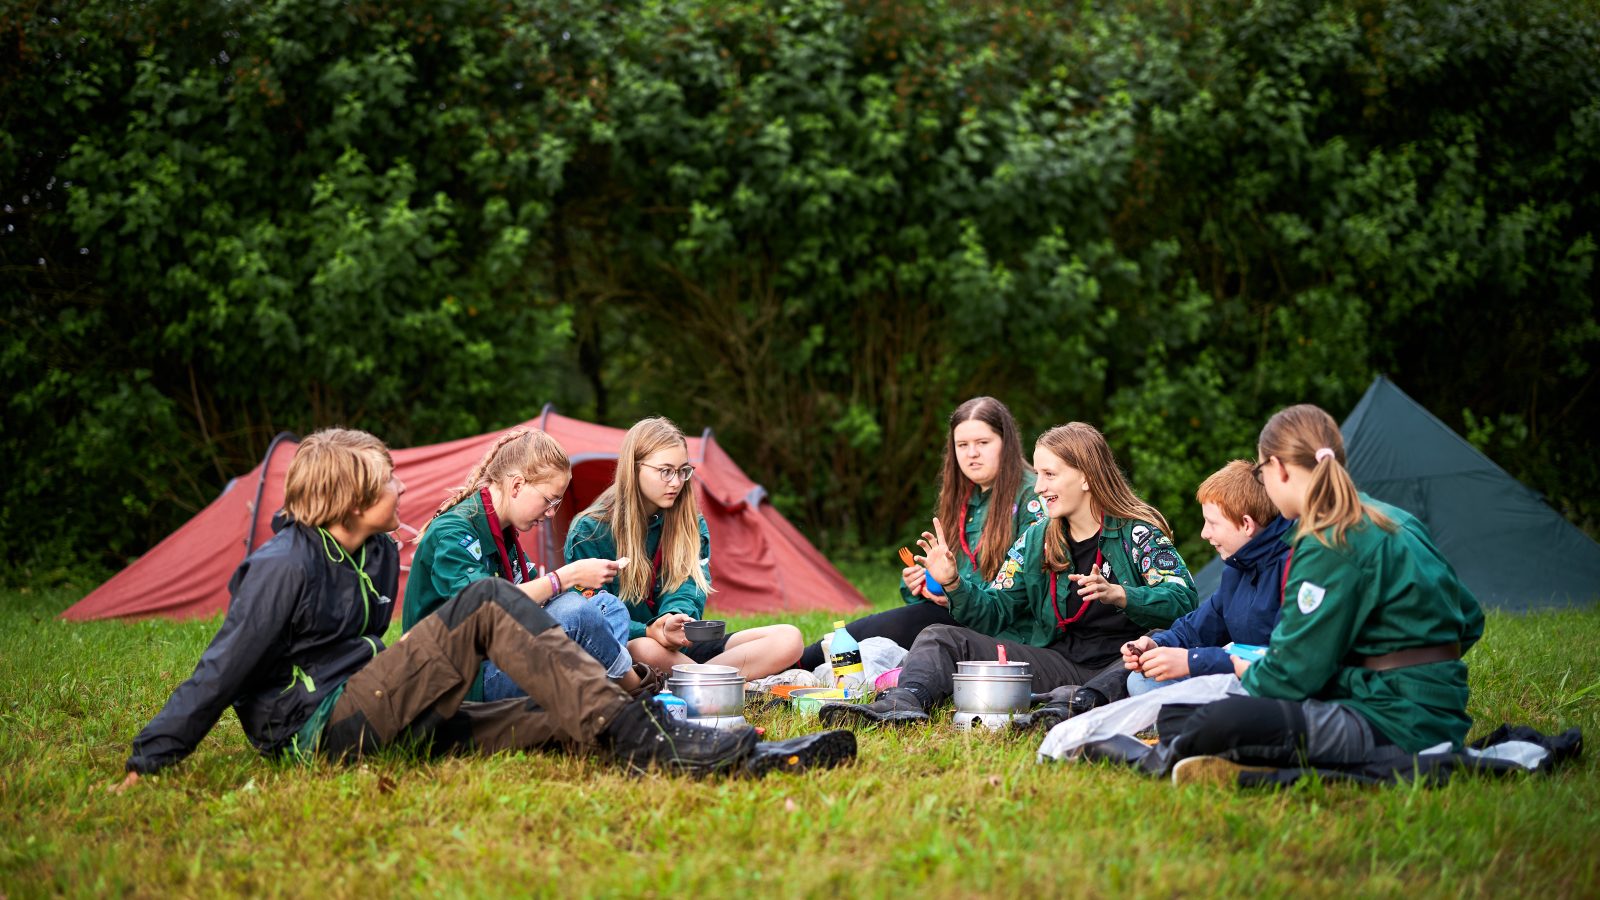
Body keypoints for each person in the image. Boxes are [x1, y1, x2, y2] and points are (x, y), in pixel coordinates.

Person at [113, 429, 853, 790]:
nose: (401, 491)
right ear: (345, 494)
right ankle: (657, 739)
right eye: (385, 482)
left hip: (388, 707)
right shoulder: (280, 567)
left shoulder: (369, 553)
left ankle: (728, 753)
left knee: (554, 716)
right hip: (321, 728)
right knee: (490, 603)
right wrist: (151, 759)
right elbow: (223, 667)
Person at [1150, 404, 1485, 786]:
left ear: (1279, 468)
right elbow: (1470, 619)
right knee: (1183, 716)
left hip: (1394, 721)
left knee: (1218, 721)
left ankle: (1236, 764)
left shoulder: (1327, 538)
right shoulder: (1392, 517)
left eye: (1261, 472)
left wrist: (1243, 667)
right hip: (1434, 711)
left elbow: (1288, 678)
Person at [820, 422, 1197, 727]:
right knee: (939, 636)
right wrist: (953, 582)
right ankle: (903, 703)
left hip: (1120, 666)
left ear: (1086, 477)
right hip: (1058, 662)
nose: (1041, 486)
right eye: (1040, 474)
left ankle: (1075, 704)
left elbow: (1185, 601)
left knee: (1154, 642)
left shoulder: (1136, 533)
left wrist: (1122, 595)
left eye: (1050, 474)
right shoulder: (1037, 538)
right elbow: (994, 609)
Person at [795, 396, 1047, 671]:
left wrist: (954, 590)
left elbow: (1022, 592)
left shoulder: (1033, 497)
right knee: (881, 629)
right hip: (959, 612)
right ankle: (793, 661)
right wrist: (923, 582)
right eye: (962, 445)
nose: (971, 453)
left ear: (1006, 443)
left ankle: (798, 662)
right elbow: (957, 573)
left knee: (896, 625)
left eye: (983, 443)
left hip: (1005, 630)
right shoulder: (965, 496)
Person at [404, 428, 653, 700]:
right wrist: (564, 577)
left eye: (557, 503)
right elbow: (484, 608)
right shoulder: (453, 532)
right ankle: (630, 690)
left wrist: (645, 628)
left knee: (607, 606)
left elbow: (537, 599)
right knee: (576, 613)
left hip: (500, 650)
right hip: (462, 678)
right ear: (517, 485)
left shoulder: (505, 531)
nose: (551, 512)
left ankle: (590, 697)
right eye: (548, 500)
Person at [565, 417, 803, 680]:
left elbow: (689, 588)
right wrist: (647, 631)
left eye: (682, 471)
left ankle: (700, 680)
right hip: (630, 649)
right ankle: (723, 682)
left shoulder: (690, 522)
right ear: (634, 469)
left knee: (788, 638)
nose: (676, 482)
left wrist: (673, 619)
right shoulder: (590, 531)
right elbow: (592, 616)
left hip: (679, 649)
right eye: (665, 471)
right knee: (645, 648)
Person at [1121, 460, 1292, 695]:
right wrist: (1159, 645)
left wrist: (1192, 661)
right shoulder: (1236, 570)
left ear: (1246, 525)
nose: (1204, 533)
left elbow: (1282, 658)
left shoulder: (1293, 566)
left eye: (1212, 523)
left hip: (1274, 686)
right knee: (1142, 681)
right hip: (1235, 681)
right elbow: (1199, 627)